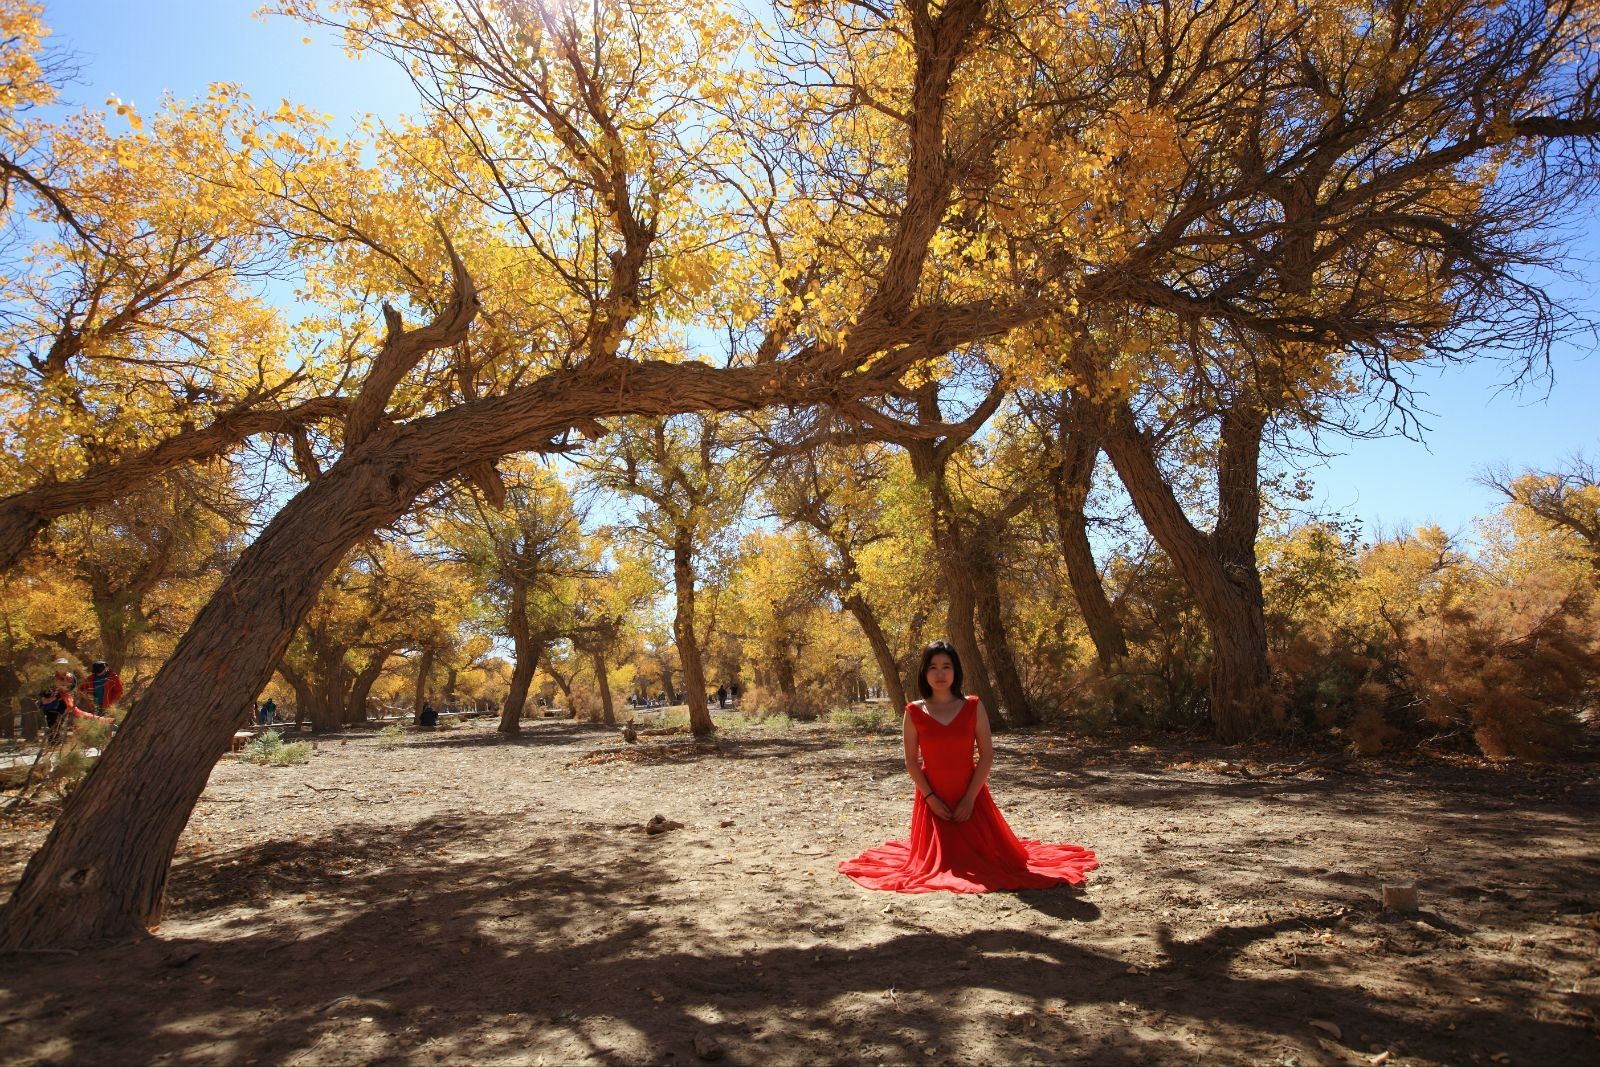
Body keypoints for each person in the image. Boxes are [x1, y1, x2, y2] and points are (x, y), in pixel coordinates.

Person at [839, 640, 1097, 893]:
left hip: (971, 798)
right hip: (932, 800)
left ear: (956, 670)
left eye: (946, 666)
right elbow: (911, 761)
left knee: (994, 862)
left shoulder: (973, 705)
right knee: (939, 865)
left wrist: (969, 799)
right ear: (923, 672)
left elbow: (986, 756)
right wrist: (931, 799)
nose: (940, 673)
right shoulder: (913, 711)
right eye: (933, 667)